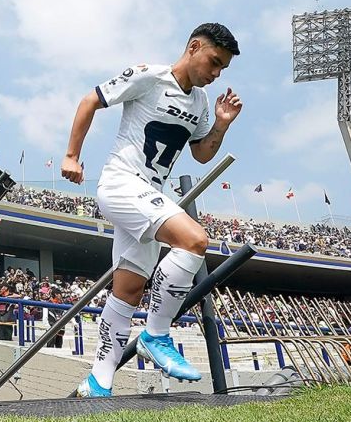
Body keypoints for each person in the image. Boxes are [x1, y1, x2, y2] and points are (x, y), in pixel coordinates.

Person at [61, 23, 242, 397]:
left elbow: (201, 153)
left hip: (149, 194)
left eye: (222, 68)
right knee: (194, 240)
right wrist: (71, 156)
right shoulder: (149, 76)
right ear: (194, 47)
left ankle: (98, 381)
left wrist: (221, 125)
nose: (216, 73)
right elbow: (89, 100)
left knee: (127, 290)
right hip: (122, 183)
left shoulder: (202, 103)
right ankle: (156, 333)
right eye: (214, 62)